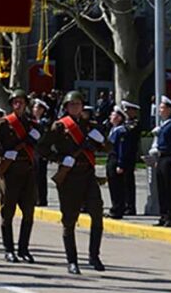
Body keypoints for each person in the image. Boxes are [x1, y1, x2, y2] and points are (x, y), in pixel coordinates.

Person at [37, 91, 109, 275]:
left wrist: (101, 140)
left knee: (97, 215)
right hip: (69, 177)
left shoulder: (90, 126)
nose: (75, 107)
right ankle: (72, 260)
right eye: (72, 104)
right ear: (66, 107)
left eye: (78, 104)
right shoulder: (60, 126)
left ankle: (94, 256)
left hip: (88, 175)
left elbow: (109, 148)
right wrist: (60, 159)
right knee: (69, 220)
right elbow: (42, 148)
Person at [0, 89, 40, 263]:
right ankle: (9, 249)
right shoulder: (4, 123)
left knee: (28, 211)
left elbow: (40, 144)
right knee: (8, 212)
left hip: (27, 170)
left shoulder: (31, 124)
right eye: (15, 102)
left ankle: (24, 249)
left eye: (21, 102)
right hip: (10, 171)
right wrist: (4, 153)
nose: (18, 104)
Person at [150, 96, 171, 228]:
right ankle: (163, 215)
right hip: (161, 157)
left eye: (162, 107)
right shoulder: (164, 125)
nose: (160, 110)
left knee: (169, 188)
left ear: (169, 109)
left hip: (169, 157)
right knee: (161, 189)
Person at [105, 106, 130, 219]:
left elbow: (122, 149)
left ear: (119, 118)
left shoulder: (121, 131)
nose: (111, 116)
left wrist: (120, 164)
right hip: (111, 158)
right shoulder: (113, 129)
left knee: (117, 186)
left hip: (116, 160)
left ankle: (118, 209)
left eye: (113, 114)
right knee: (112, 185)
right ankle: (115, 207)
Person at [121, 100, 141, 215]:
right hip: (123, 154)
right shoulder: (124, 123)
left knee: (128, 182)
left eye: (128, 110)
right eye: (125, 110)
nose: (126, 112)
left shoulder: (135, 124)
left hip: (130, 155)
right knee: (122, 182)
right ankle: (124, 204)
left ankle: (130, 206)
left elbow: (129, 134)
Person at [32, 99, 51, 207]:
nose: (35, 109)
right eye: (34, 107)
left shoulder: (45, 122)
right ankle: (36, 197)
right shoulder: (34, 121)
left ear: (42, 110)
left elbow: (44, 138)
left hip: (41, 151)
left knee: (40, 175)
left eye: (38, 108)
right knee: (34, 175)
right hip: (34, 151)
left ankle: (42, 198)